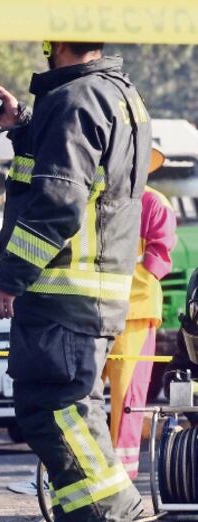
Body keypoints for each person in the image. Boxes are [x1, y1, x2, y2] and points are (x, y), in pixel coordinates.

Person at [0, 40, 152, 522]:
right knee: (74, 409)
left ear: (52, 43)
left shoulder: (76, 100)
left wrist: (9, 278)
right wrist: (24, 123)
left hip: (62, 291)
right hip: (94, 289)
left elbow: (60, 200)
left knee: (56, 411)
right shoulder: (119, 94)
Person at [104, 151, 176, 479]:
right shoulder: (99, 200)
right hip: (96, 306)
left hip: (134, 310)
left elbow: (159, 257)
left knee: (127, 394)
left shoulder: (154, 203)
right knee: (79, 393)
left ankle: (122, 474)